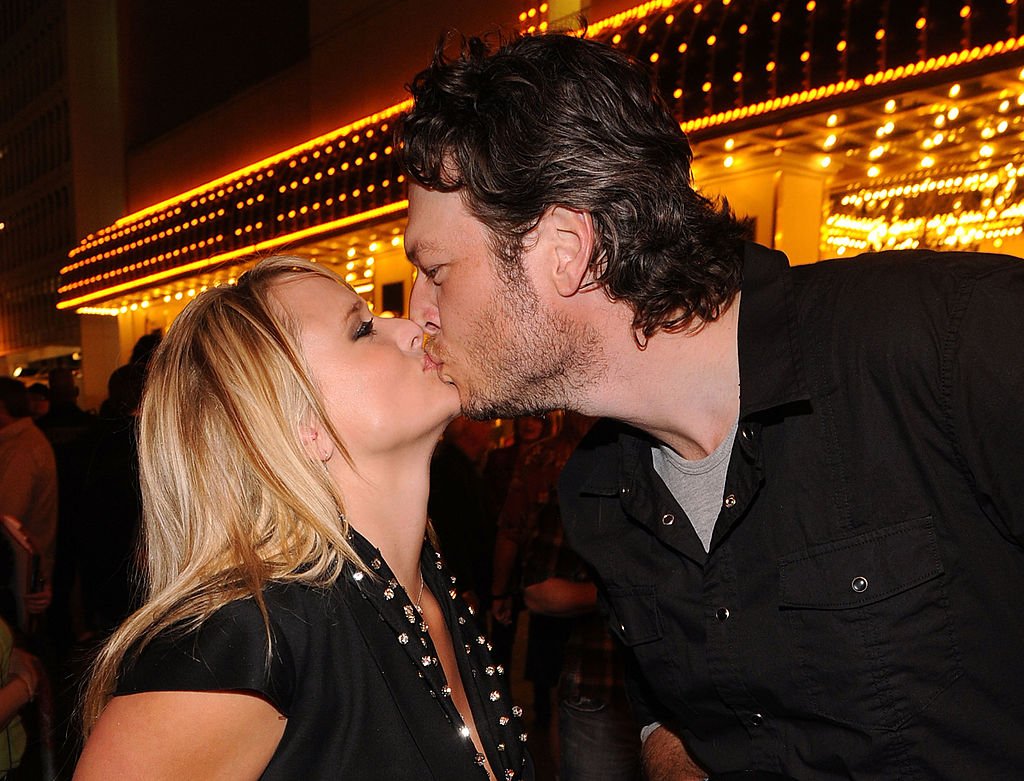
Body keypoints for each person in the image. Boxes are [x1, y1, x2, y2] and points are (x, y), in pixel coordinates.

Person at [398, 31, 1024, 780]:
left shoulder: (948, 343)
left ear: (566, 248)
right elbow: (681, 716)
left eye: (435, 269)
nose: (418, 310)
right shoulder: (597, 494)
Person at [74, 256, 533, 780]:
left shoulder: (427, 588)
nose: (411, 328)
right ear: (301, 425)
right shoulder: (250, 636)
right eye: (361, 329)